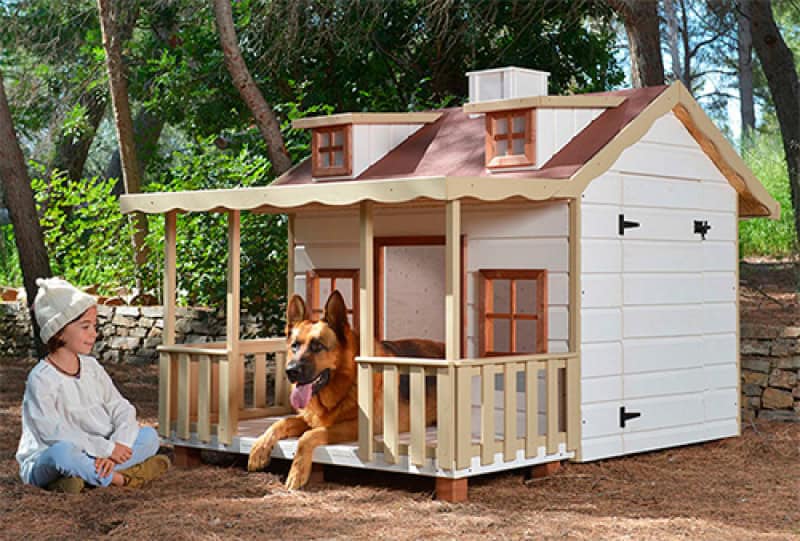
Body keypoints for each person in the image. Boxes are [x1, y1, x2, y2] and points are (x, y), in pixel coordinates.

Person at [16, 277, 170, 493]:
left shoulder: (92, 368)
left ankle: (81, 479)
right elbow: (52, 433)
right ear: (59, 331)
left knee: (149, 437)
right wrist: (107, 449)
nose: (94, 334)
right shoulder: (41, 378)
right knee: (63, 454)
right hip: (49, 457)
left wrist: (120, 444)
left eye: (94, 326)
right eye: (85, 326)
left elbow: (121, 408)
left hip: (100, 451)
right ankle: (123, 479)